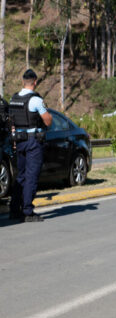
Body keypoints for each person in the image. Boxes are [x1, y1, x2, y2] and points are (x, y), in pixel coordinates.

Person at [9, 69, 52, 222]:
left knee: (20, 176)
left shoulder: (13, 98)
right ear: (35, 82)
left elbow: (11, 121)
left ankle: (14, 209)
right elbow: (48, 121)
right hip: (33, 142)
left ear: (23, 81)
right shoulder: (36, 100)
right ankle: (28, 211)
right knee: (31, 176)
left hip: (19, 140)